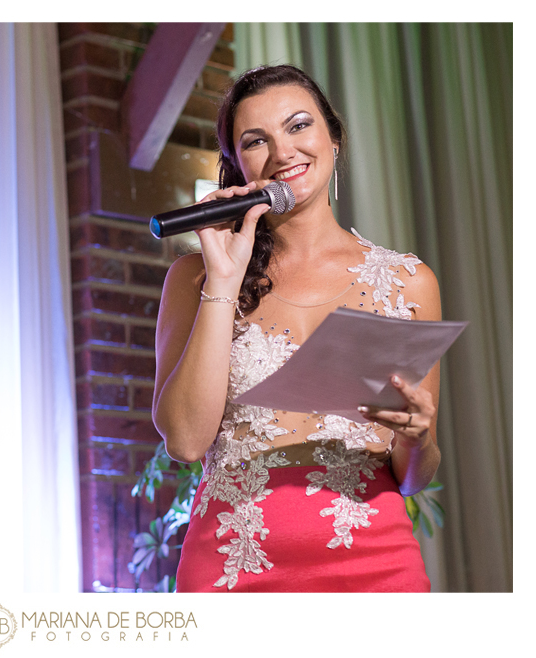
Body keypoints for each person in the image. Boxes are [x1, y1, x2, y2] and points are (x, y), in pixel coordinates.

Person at [152, 64, 441, 592]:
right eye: (256, 140)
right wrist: (223, 278)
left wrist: (418, 440)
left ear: (333, 136)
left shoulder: (408, 283)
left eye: (299, 126)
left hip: (376, 567)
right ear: (237, 165)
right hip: (233, 566)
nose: (284, 152)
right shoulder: (193, 277)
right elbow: (187, 441)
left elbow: (413, 476)